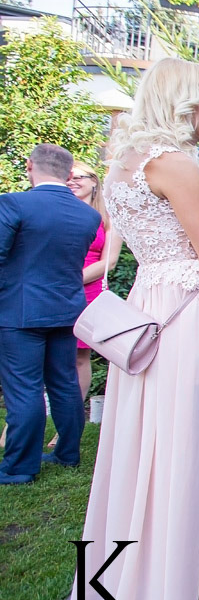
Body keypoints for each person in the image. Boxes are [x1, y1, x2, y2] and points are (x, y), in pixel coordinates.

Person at [62, 58, 199, 600]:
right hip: (188, 315)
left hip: (150, 306)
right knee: (185, 455)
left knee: (141, 452)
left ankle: (138, 591)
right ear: (183, 102)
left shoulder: (123, 162)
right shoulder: (175, 163)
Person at [0, 145, 100, 484]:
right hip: (68, 309)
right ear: (69, 174)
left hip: (20, 310)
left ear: (29, 165)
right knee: (65, 382)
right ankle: (67, 453)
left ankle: (19, 467)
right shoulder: (88, 215)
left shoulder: (14, 203)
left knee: (24, 388)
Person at [66, 162, 124, 412]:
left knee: (80, 358)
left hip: (87, 291)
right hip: (57, 289)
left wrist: (70, 279)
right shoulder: (61, 212)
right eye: (68, 177)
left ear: (94, 182)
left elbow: (109, 261)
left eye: (79, 177)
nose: (72, 181)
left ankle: (71, 419)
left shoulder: (108, 216)